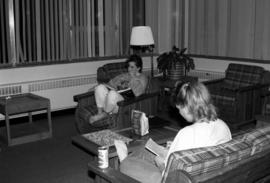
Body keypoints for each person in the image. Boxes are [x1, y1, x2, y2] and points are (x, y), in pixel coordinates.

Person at [114, 81, 232, 182]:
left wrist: (160, 162)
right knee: (144, 149)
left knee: (126, 165)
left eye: (179, 108)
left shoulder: (187, 133)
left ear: (187, 107)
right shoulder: (223, 126)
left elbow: (168, 174)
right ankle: (133, 159)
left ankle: (125, 160)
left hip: (179, 179)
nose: (179, 112)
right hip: (207, 172)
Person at [90, 54, 148, 123]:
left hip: (126, 104)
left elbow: (140, 93)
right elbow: (110, 84)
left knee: (112, 94)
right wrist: (94, 88)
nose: (129, 69)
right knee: (99, 87)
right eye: (128, 66)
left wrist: (133, 78)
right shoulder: (124, 75)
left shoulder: (142, 77)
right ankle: (100, 113)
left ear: (138, 68)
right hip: (113, 102)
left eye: (132, 67)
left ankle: (105, 114)